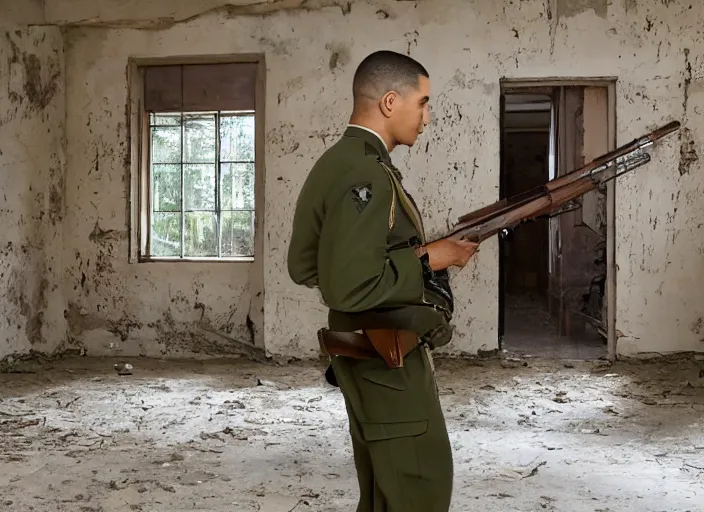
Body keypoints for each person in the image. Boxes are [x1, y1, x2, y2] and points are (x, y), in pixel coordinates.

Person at [287, 50, 479, 512]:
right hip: (385, 357)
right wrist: (431, 258)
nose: (427, 117)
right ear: (391, 102)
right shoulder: (365, 173)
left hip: (369, 352)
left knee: (384, 489)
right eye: (424, 102)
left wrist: (408, 257)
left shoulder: (337, 162)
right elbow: (349, 286)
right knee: (419, 486)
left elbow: (305, 265)